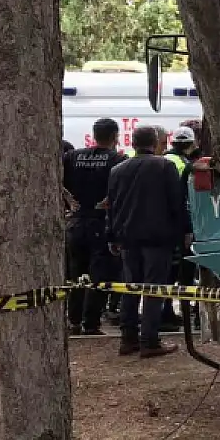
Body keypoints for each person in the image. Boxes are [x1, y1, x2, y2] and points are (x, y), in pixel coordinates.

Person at [106, 125, 189, 358]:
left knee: (130, 288)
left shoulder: (117, 170)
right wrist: (184, 231)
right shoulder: (165, 166)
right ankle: (149, 341)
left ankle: (128, 339)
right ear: (155, 143)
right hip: (157, 237)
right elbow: (177, 203)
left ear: (133, 143)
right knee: (154, 288)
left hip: (128, 238)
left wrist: (111, 235)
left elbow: (112, 206)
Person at [63, 119, 126, 336]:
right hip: (101, 222)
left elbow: (53, 176)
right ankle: (90, 323)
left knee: (75, 274)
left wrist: (68, 199)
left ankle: (73, 321)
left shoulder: (72, 156)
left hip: (75, 222)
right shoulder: (117, 159)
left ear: (94, 134)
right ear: (115, 136)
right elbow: (120, 189)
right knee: (99, 275)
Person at [160, 125, 200, 330]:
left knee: (166, 273)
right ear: (192, 144)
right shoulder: (184, 164)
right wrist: (188, 229)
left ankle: (166, 312)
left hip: (163, 226)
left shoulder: (163, 160)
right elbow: (185, 201)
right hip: (179, 226)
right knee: (185, 273)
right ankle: (184, 313)